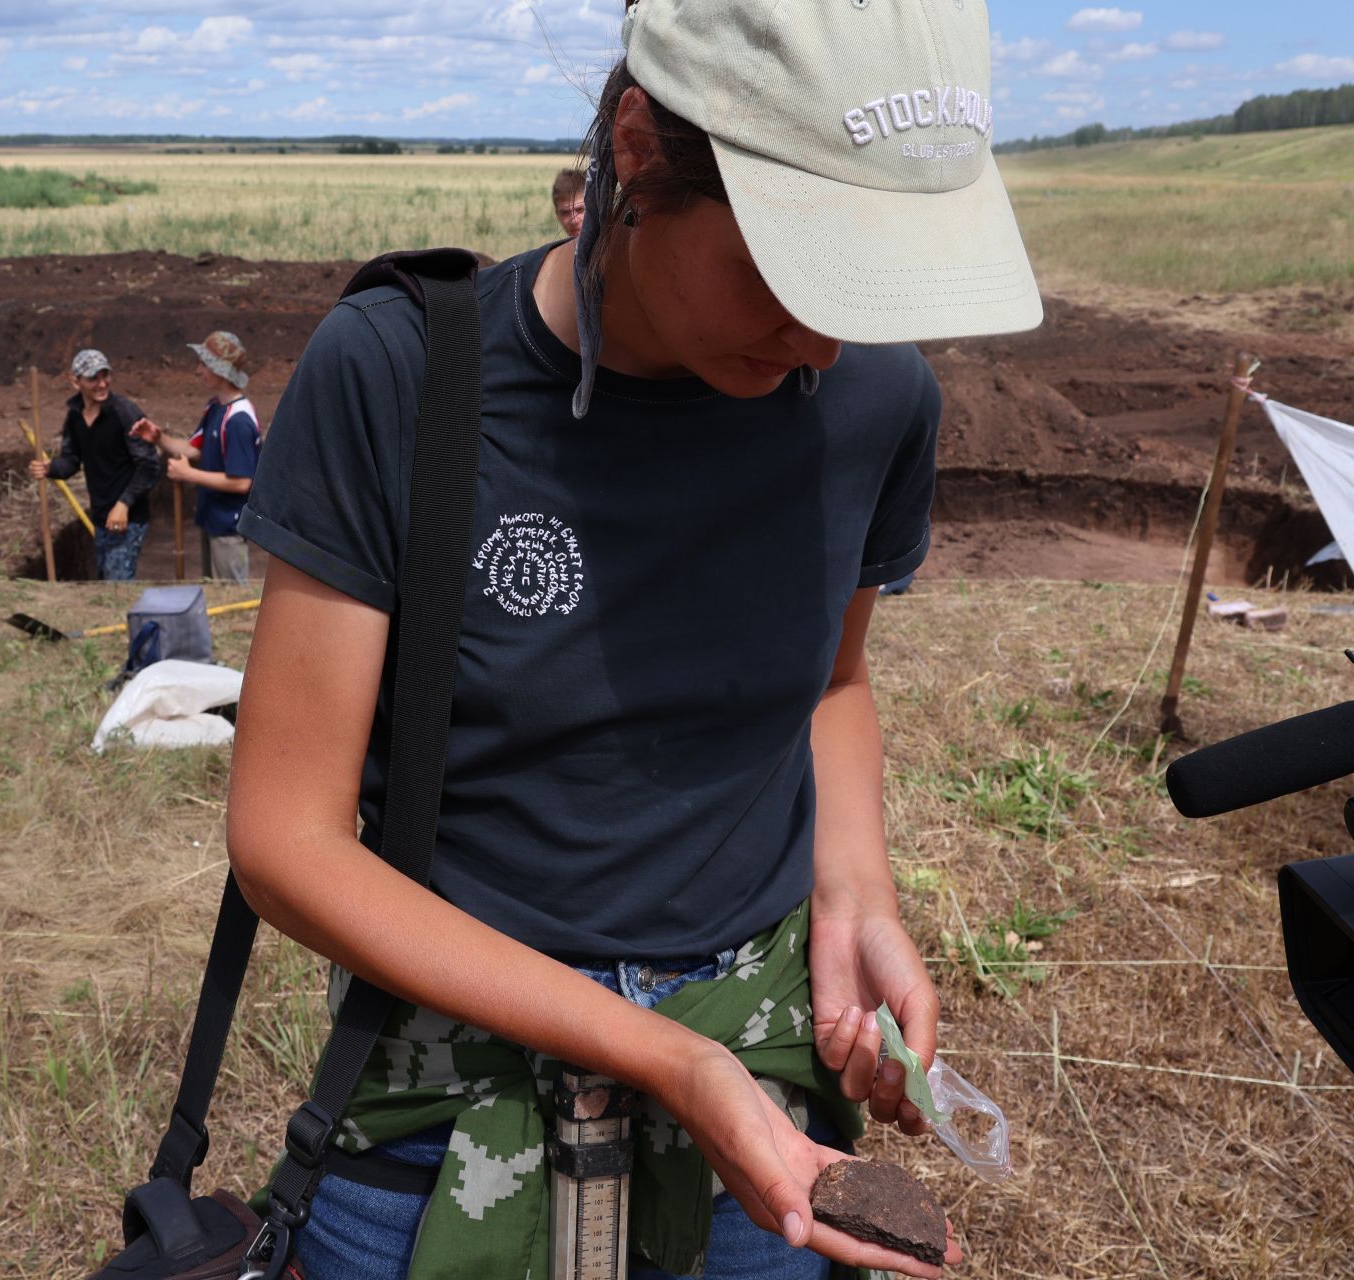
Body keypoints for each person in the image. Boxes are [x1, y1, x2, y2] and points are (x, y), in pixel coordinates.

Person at [224, 2, 1042, 1279]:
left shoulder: (876, 400)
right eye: (787, 268)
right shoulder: (403, 379)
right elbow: (287, 841)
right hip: (443, 1113)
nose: (821, 339)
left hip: (755, 1089)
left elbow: (832, 678)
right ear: (641, 149)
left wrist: (856, 887)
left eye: (863, 284)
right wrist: (659, 1051)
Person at [130, 330, 262, 584]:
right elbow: (193, 449)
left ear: (220, 370)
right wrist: (159, 438)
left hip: (229, 527)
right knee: (212, 592)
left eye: (203, 364)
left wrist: (189, 474)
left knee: (230, 595)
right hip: (212, 519)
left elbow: (242, 482)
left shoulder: (238, 422)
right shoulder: (215, 408)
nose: (198, 370)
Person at [28, 348, 162, 581]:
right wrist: (50, 468)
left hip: (128, 519)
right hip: (101, 517)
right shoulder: (75, 417)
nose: (102, 384)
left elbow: (149, 465)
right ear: (75, 381)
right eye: (93, 378)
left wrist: (123, 504)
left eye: (105, 376)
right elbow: (71, 461)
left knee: (116, 587)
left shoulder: (125, 413)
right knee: (104, 582)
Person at [552, 166, 586, 238]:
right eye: (565, 213)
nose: (574, 221)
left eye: (580, 210)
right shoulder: (557, 249)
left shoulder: (613, 247)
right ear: (557, 215)